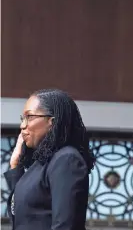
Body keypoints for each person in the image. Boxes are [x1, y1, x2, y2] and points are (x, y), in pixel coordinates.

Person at [4, 89, 95, 230]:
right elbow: (22, 215)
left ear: (51, 122)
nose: (22, 125)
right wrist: (15, 165)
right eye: (22, 119)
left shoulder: (67, 159)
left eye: (30, 117)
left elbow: (65, 226)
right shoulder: (42, 162)